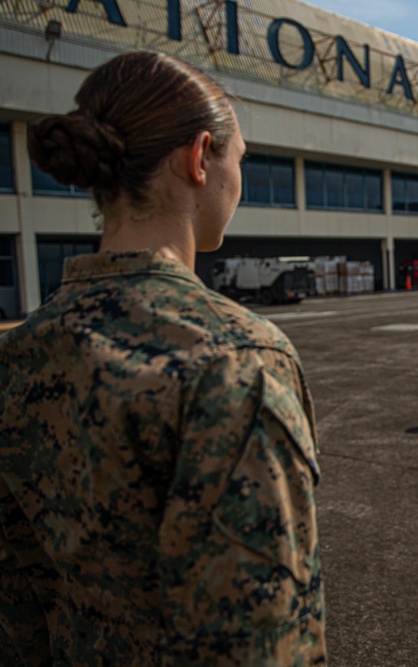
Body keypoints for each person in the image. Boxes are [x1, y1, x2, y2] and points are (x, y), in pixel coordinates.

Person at [0, 52, 326, 664]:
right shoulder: (235, 357)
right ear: (199, 158)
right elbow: (262, 636)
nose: (239, 181)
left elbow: (14, 608)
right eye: (239, 160)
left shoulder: (16, 354)